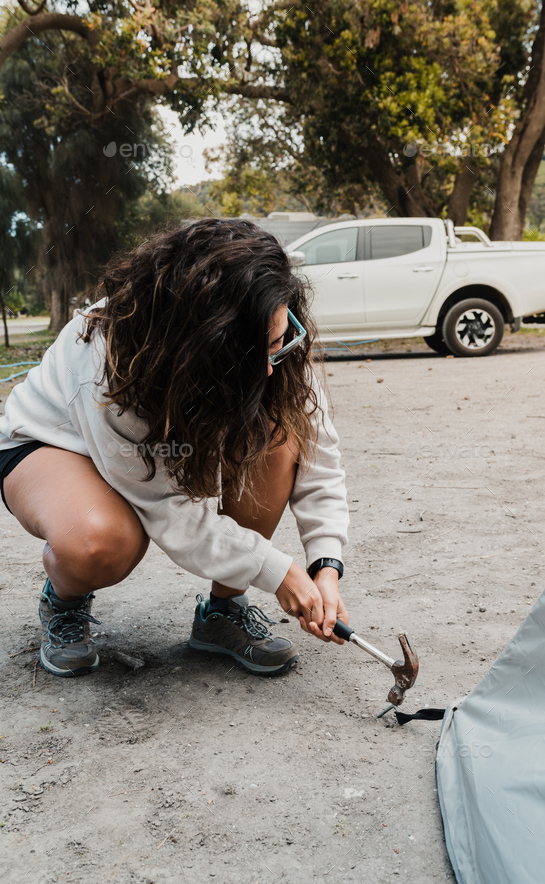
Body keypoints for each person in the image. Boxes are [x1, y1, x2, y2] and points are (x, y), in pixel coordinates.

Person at [0, 219, 350, 679]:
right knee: (102, 539)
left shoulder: (271, 329)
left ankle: (222, 612)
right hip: (54, 443)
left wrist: (325, 564)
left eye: (277, 343)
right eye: (251, 358)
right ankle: (63, 601)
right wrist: (278, 571)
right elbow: (170, 511)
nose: (270, 369)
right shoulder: (110, 360)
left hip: (135, 456)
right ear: (201, 345)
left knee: (279, 437)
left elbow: (317, 456)